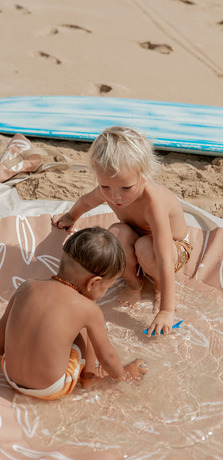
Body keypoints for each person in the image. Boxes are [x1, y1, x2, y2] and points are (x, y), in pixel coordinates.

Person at [52, 126, 193, 337]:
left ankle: (160, 287)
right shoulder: (110, 189)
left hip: (172, 250)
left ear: (144, 175)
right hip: (137, 242)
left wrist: (166, 309)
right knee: (115, 234)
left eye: (126, 188)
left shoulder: (154, 202)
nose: (115, 196)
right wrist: (70, 217)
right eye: (105, 187)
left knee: (146, 246)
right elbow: (86, 201)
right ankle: (133, 283)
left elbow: (164, 257)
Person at [0, 226, 147, 400]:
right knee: (85, 327)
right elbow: (107, 356)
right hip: (49, 388)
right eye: (107, 287)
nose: (105, 292)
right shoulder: (87, 308)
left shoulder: (27, 286)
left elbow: (2, 333)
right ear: (94, 282)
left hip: (9, 374)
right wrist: (122, 375)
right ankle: (89, 378)